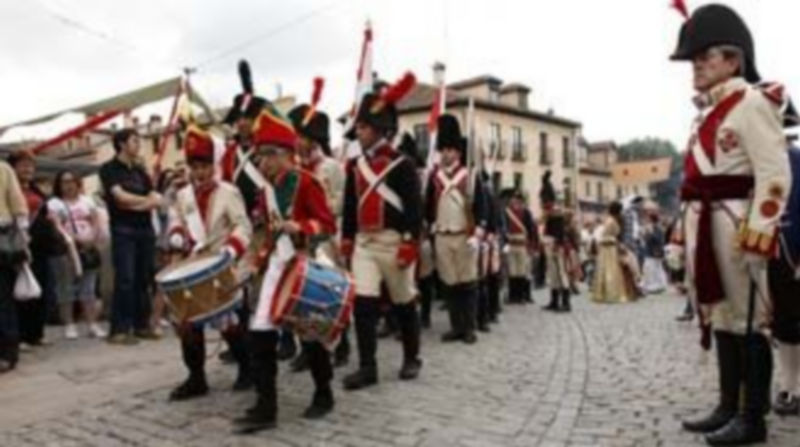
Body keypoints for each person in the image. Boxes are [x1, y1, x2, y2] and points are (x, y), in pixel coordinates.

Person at [670, 4, 792, 445]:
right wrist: (682, 231)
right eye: (693, 58)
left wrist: (759, 229)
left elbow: (774, 173)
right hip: (706, 222)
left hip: (736, 222)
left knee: (748, 319)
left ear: (733, 60)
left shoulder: (753, 103)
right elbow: (694, 180)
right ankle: (728, 404)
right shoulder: (705, 112)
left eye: (705, 56)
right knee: (721, 315)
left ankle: (752, 416)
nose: (696, 66)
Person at [232, 105, 337, 434]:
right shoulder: (266, 191)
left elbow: (327, 225)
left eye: (267, 155)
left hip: (305, 262)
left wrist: (301, 226)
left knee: (310, 334)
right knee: (260, 331)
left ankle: (323, 393)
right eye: (260, 155)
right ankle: (267, 407)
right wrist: (253, 263)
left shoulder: (307, 182)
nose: (262, 162)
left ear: (286, 154)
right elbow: (265, 232)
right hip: (277, 265)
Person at [339, 72, 423, 391]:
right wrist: (347, 238)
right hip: (364, 243)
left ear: (378, 129)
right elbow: (350, 206)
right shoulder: (355, 167)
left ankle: (412, 357)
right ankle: (367, 367)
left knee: (404, 302)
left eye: (362, 127)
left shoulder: (402, 164)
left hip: (393, 242)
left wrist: (410, 242)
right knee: (363, 304)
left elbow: (413, 208)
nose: (358, 133)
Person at [288, 82, 350, 370]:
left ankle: (341, 344)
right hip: (301, 239)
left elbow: (340, 202)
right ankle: (307, 347)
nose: (297, 141)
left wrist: (318, 209)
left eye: (301, 136)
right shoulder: (294, 170)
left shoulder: (331, 168)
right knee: (302, 295)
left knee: (329, 292)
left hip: (325, 239)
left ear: (313, 139)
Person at [425, 114, 488, 342]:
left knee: (467, 283)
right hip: (442, 235)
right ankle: (456, 326)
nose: (446, 154)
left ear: (458, 152)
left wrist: (478, 233)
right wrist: (429, 225)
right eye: (443, 150)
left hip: (464, 235)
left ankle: (469, 327)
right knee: (449, 283)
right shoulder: (434, 177)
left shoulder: (470, 176)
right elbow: (428, 206)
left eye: (450, 150)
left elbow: (481, 206)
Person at [99, 128, 160, 345]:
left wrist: (140, 203)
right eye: (135, 141)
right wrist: (145, 202)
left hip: (145, 229)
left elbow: (155, 196)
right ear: (122, 144)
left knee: (144, 278)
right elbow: (119, 197)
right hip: (123, 229)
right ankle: (119, 329)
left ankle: (141, 325)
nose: (139, 144)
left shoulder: (140, 170)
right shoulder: (109, 169)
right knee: (125, 278)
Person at [9, 150, 59, 348]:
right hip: (19, 246)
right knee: (20, 291)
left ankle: (36, 333)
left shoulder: (36, 190)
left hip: (40, 247)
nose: (28, 169)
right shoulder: (9, 189)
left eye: (31, 165)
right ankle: (20, 336)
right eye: (23, 165)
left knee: (40, 289)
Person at [49, 170, 106, 339]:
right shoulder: (54, 203)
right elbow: (57, 225)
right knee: (66, 288)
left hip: (88, 248)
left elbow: (96, 220)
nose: (68, 185)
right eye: (64, 182)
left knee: (89, 288)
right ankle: (69, 324)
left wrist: (93, 237)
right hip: (66, 249)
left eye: (71, 181)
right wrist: (74, 239)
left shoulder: (87, 201)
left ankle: (92, 324)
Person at [768, 144, 800, 416]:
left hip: (794, 251)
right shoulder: (759, 159)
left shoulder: (795, 159)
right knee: (783, 323)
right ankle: (788, 385)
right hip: (771, 250)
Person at [0, 158, 29, 373]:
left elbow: (19, 207)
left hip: (2, 240)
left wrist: (23, 240)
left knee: (2, 298)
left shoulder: (3, 169)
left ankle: (7, 352)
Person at [591, 201, 631, 304]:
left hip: (609, 249)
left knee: (610, 270)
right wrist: (617, 243)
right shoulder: (612, 221)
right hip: (610, 249)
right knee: (611, 270)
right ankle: (611, 293)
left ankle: (609, 293)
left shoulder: (610, 220)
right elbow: (607, 236)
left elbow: (606, 236)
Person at [504, 190, 537, 304]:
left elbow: (531, 229)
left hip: (522, 244)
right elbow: (504, 227)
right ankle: (512, 296)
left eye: (518, 200)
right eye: (514, 199)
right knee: (512, 271)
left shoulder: (526, 213)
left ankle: (521, 296)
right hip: (511, 244)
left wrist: (531, 246)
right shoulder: (507, 212)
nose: (515, 202)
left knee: (522, 271)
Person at [641, 213, 668, 295]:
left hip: (654, 252)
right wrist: (645, 233)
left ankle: (656, 286)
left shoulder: (658, 229)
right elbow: (646, 239)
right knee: (649, 269)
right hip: (649, 251)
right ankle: (651, 285)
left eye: (648, 219)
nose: (646, 221)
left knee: (654, 269)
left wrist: (650, 232)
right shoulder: (650, 228)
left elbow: (658, 240)